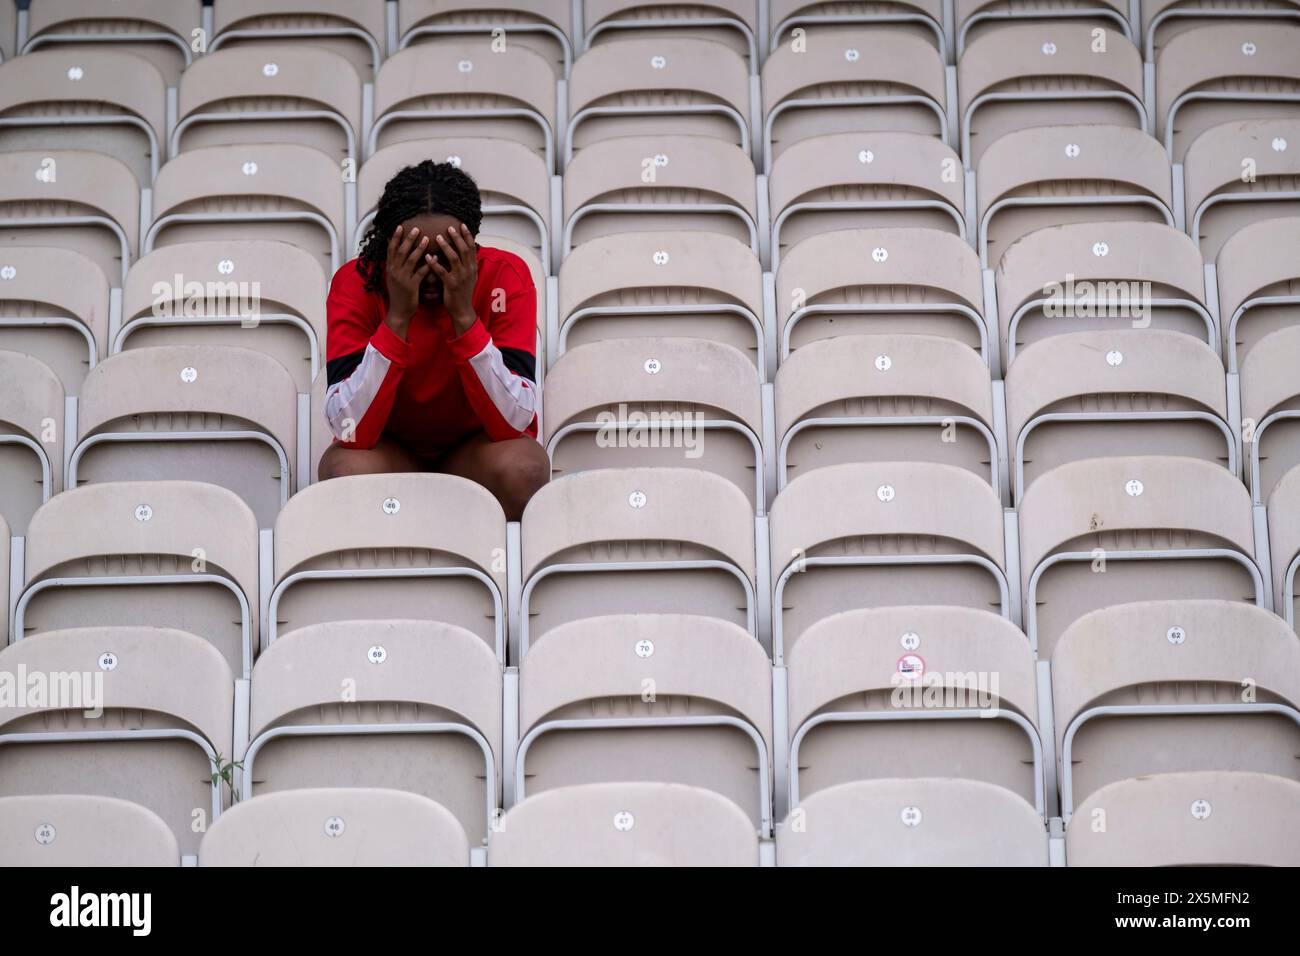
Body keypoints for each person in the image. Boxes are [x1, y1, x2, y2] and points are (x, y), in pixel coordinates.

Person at [319, 160, 549, 519]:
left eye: (445, 256)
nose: (430, 271)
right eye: (411, 255)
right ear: (387, 249)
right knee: (345, 470)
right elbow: (351, 432)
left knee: (524, 469)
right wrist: (397, 318)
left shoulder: (506, 277)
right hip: (388, 449)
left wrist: (464, 317)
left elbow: (513, 422)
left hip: (476, 450)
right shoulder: (357, 283)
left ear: (472, 247)